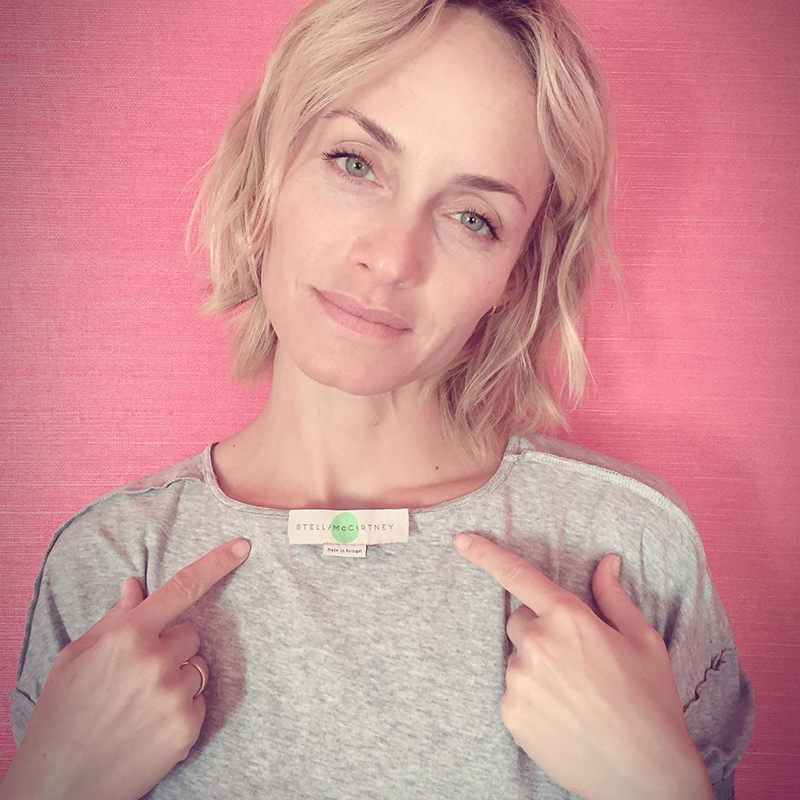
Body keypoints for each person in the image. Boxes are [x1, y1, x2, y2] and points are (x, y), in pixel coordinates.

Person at [3, 0, 755, 798]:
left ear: (516, 275)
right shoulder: (108, 564)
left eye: (473, 218)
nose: (393, 260)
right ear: (268, 174)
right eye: (355, 164)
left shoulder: (631, 552)